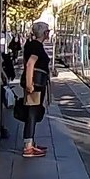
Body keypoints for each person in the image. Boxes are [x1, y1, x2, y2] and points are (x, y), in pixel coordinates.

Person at [21, 21, 52, 158]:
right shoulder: (36, 46)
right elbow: (30, 64)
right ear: (44, 33)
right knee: (32, 113)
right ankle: (28, 147)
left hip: (35, 83)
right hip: (35, 85)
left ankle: (31, 143)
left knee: (32, 112)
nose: (49, 33)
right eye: (48, 31)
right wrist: (29, 84)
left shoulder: (32, 45)